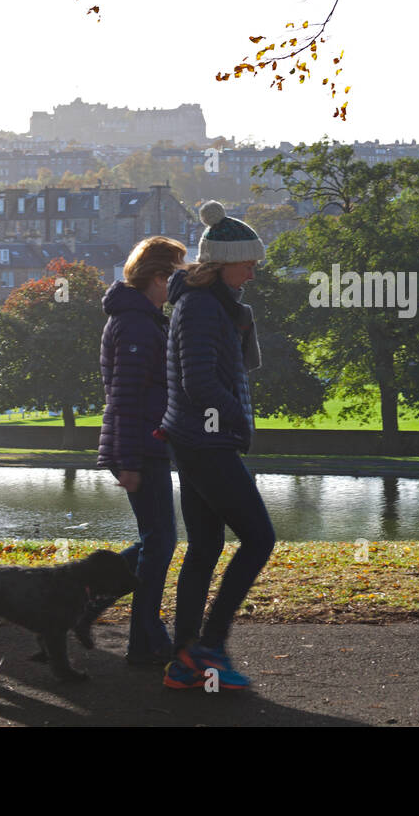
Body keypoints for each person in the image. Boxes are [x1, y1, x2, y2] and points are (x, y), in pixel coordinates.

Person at [157, 200, 274, 690]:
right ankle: (208, 644)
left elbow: (230, 366)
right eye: (247, 264)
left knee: (205, 546)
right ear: (223, 263)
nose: (252, 273)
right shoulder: (203, 307)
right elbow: (200, 381)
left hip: (194, 440)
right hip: (206, 442)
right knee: (259, 538)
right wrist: (235, 422)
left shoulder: (211, 304)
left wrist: (240, 321)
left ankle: (185, 657)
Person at [82, 235, 187, 666]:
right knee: (160, 541)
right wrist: (126, 462)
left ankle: (86, 594)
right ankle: (143, 639)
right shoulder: (135, 324)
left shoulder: (147, 319)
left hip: (149, 445)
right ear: (158, 277)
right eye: (178, 274)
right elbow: (123, 396)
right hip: (140, 448)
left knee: (157, 541)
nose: (182, 284)